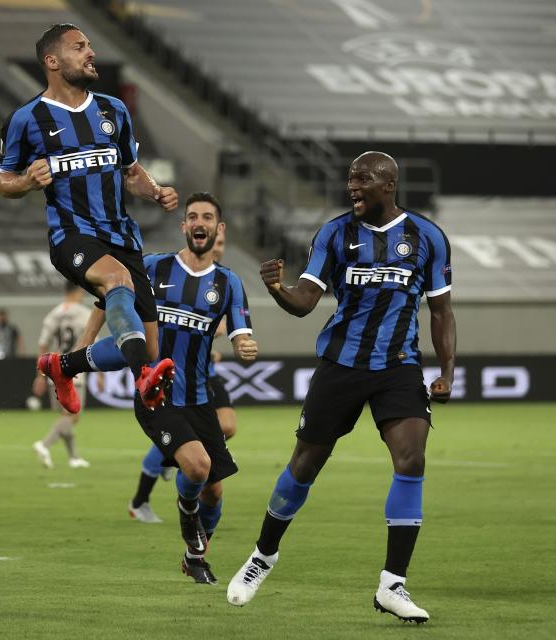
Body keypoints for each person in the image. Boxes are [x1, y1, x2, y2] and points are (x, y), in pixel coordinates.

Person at [226, 152, 456, 624]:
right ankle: (262, 556)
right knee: (305, 464)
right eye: (350, 178)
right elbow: (306, 301)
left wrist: (448, 370)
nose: (353, 186)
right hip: (341, 364)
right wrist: (276, 288)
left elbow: (441, 312)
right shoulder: (334, 233)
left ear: (389, 185)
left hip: (399, 365)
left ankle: (393, 584)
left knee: (411, 459)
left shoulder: (428, 238)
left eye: (363, 179)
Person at [0, 23, 179, 413]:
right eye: (80, 47)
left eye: (90, 46)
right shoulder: (27, 119)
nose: (90, 53)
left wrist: (155, 189)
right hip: (71, 236)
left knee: (148, 346)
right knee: (117, 280)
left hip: (123, 237)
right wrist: (27, 179)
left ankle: (63, 367)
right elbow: (3, 180)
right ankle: (143, 375)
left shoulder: (114, 109)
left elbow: (131, 172)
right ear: (53, 61)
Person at [78, 193, 258, 584]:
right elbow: (104, 301)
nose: (199, 222)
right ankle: (179, 506)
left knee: (214, 492)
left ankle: (195, 555)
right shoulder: (153, 267)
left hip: (199, 396)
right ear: (184, 226)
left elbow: (242, 331)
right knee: (197, 466)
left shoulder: (229, 283)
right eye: (192, 215)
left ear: (218, 228)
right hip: (156, 394)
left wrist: (244, 344)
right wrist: (83, 349)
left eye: (207, 217)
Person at [129, 229, 237, 524]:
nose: (218, 248)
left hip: (205, 374)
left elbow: (224, 324)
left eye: (223, 243)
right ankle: (141, 498)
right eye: (217, 242)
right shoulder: (173, 273)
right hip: (175, 376)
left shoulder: (224, 280)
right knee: (190, 445)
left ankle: (176, 455)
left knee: (228, 425)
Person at [32, 282, 92, 469]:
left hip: (54, 371)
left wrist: (40, 375)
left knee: (65, 415)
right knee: (72, 416)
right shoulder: (84, 313)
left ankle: (74, 457)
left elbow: (43, 345)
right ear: (79, 291)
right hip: (74, 372)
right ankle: (44, 444)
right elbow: (92, 342)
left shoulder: (54, 314)